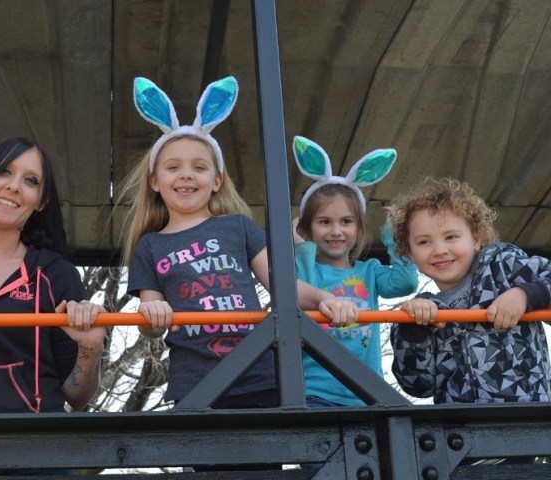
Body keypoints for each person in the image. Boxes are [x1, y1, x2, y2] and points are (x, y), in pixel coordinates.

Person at [113, 76, 358, 415]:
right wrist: (152, 315)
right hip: (197, 383)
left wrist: (325, 298)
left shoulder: (238, 227)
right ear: (155, 181)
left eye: (199, 167)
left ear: (217, 181)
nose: (186, 175)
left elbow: (282, 286)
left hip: (258, 373)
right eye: (173, 167)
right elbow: (151, 323)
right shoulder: (149, 246)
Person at [0, 137, 107, 416]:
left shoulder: (56, 274)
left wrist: (91, 348)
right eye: (4, 171)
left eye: (31, 181)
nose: (13, 186)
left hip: (33, 447)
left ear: (42, 201)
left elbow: (77, 397)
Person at [389, 177, 550, 405]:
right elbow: (418, 386)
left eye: (451, 237)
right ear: (410, 254)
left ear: (476, 239)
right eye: (424, 242)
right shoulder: (421, 311)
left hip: (526, 418)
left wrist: (526, 294)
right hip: (460, 431)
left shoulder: (502, 266)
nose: (439, 250)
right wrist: (413, 330)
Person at [291, 136, 418, 409]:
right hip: (314, 393)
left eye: (346, 222)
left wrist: (394, 237)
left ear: (359, 228)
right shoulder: (307, 268)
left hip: (366, 393)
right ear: (308, 228)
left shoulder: (369, 271)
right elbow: (295, 290)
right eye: (324, 222)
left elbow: (405, 283)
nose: (336, 231)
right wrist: (301, 248)